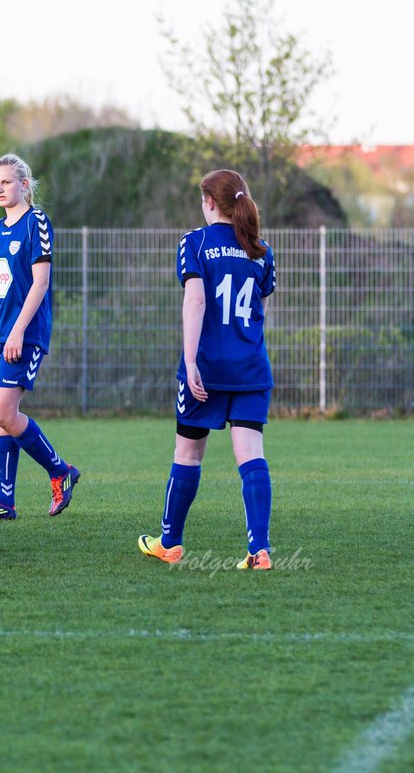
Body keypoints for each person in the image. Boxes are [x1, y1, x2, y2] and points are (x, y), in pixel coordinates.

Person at [138, 169, 277, 570]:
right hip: (251, 367)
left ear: (210, 203)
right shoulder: (261, 249)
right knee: (251, 455)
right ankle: (259, 550)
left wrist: (191, 360)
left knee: (189, 452)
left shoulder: (194, 242)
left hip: (208, 369)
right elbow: (260, 307)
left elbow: (196, 302)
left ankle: (169, 543)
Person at [0, 153, 81, 520]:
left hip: (24, 334)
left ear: (24, 185)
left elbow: (40, 283)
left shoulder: (37, 223)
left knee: (4, 411)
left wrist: (18, 330)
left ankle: (61, 471)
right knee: (1, 418)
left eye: (7, 182)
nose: (0, 189)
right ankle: (3, 501)